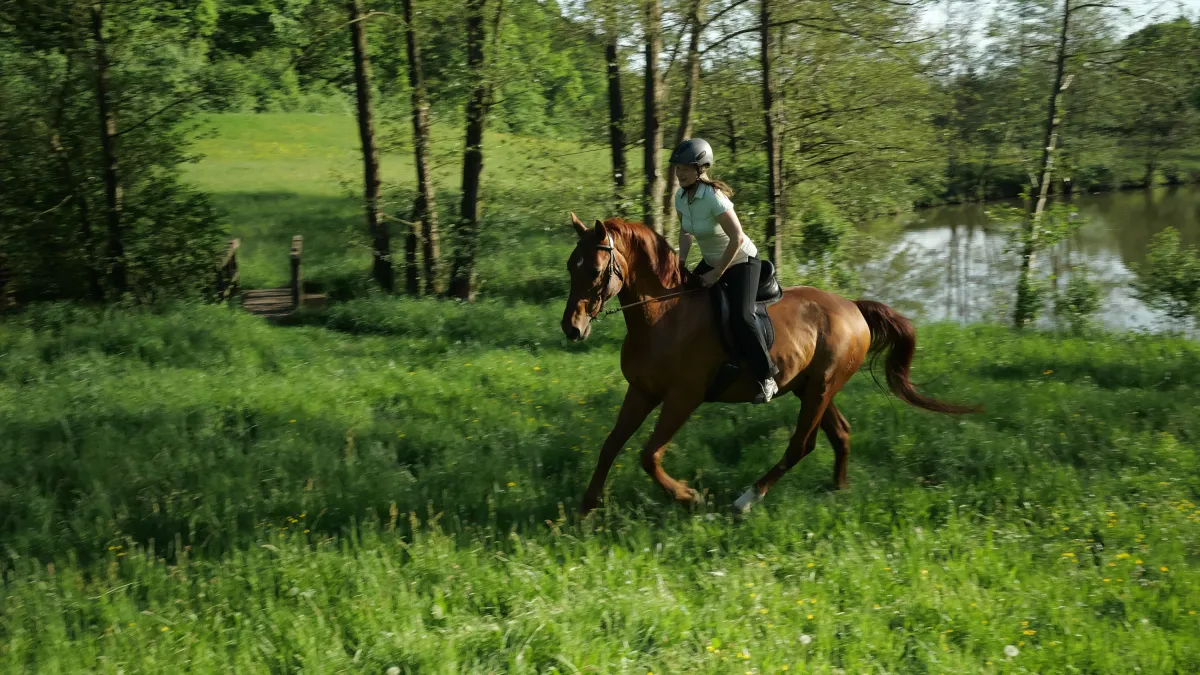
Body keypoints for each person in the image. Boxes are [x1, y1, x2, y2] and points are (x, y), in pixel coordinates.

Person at [671, 138, 779, 403]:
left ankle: (767, 377)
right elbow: (686, 230)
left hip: (741, 261)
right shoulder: (681, 197)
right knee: (682, 300)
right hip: (711, 259)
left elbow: (738, 238)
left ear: (701, 168)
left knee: (742, 316)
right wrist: (681, 262)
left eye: (685, 167)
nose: (679, 172)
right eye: (677, 167)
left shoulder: (712, 197)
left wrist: (717, 273)